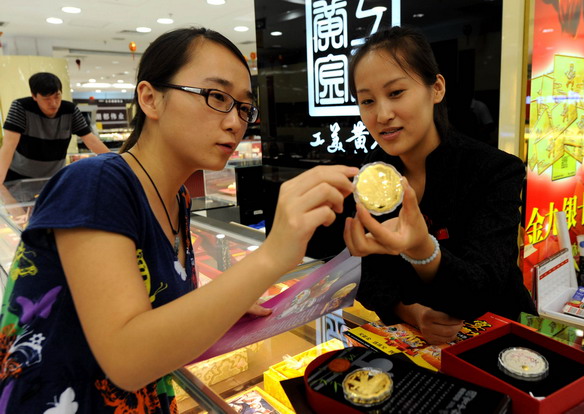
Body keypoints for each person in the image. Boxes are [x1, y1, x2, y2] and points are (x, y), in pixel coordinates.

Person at [0, 28, 357, 412]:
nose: (236, 122)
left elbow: (159, 314)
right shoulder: (97, 182)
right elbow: (127, 358)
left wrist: (227, 304)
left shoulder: (177, 198)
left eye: (243, 107)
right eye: (217, 97)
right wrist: (272, 256)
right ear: (151, 99)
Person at [342, 26, 536, 345]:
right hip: (414, 344)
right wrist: (412, 312)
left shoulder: (493, 170)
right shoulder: (370, 178)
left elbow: (484, 286)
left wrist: (424, 250)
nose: (382, 114)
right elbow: (367, 274)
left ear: (436, 88)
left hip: (501, 342)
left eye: (395, 93)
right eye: (367, 101)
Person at [0, 72, 110, 183]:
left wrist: (117, 164)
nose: (53, 103)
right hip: (20, 177)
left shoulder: (70, 110)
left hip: (55, 177)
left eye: (57, 96)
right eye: (46, 98)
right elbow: (9, 146)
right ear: (34, 96)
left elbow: (92, 141)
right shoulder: (21, 107)